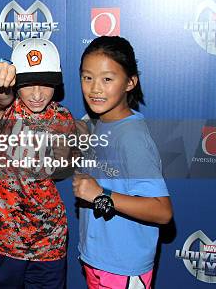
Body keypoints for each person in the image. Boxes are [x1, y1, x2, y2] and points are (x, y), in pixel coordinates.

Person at [73, 35, 172, 289]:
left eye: (107, 79)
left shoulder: (133, 137)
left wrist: (100, 194)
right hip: (97, 258)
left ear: (130, 82)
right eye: (87, 77)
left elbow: (162, 211)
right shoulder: (97, 122)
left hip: (123, 266)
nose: (95, 88)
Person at [0, 38, 75, 288]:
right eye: (28, 83)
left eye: (44, 84)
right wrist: (1, 85)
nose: (36, 94)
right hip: (3, 240)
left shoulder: (63, 118)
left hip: (49, 242)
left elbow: (57, 166)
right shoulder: (4, 109)